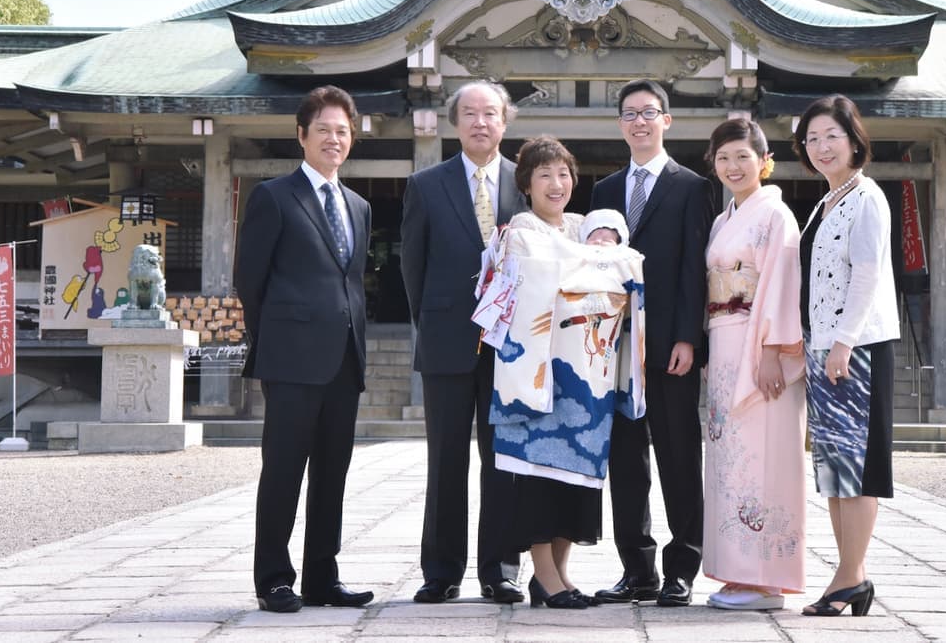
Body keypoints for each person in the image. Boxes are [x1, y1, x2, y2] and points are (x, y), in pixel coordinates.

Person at [480, 138, 646, 608]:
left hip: (586, 380)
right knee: (540, 474)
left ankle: (560, 574)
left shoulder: (582, 227)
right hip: (541, 376)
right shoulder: (521, 232)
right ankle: (545, 577)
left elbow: (617, 252)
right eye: (545, 175)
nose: (558, 184)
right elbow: (559, 275)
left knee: (576, 479)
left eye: (565, 174)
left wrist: (606, 248)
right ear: (527, 185)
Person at [236, 85, 374, 613]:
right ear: (302, 136)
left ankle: (323, 577)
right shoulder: (274, 196)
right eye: (324, 130)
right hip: (292, 359)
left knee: (332, 475)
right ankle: (273, 577)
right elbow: (251, 281)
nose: (334, 140)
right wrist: (273, 346)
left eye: (343, 131)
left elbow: (352, 281)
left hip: (344, 356)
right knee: (284, 470)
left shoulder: (358, 206)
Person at [401, 81, 526, 605]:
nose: (480, 122)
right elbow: (412, 266)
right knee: (445, 459)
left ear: (504, 122)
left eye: (490, 113)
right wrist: (432, 324)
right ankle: (441, 570)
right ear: (455, 122)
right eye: (470, 113)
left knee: (504, 460)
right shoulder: (426, 185)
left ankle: (500, 570)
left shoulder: (527, 184)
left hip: (511, 347)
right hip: (447, 340)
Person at [591, 79, 714, 607]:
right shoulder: (602, 191)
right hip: (614, 349)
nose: (639, 121)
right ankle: (636, 568)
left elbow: (696, 270)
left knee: (679, 456)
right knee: (625, 460)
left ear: (667, 120)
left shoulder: (693, 187)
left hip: (669, 347)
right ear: (620, 124)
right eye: (629, 114)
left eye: (649, 112)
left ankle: (682, 567)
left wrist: (689, 337)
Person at [793, 94, 899, 618]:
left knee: (857, 466)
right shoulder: (824, 202)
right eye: (811, 139)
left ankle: (851, 575)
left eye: (831, 136)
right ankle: (848, 574)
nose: (821, 147)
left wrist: (843, 342)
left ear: (855, 141)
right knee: (834, 467)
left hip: (856, 348)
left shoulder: (867, 197)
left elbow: (866, 274)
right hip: (824, 348)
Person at [700, 118, 806, 611]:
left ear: (765, 162)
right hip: (724, 344)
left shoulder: (775, 215)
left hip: (760, 346)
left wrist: (771, 351)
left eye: (743, 156)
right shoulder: (725, 219)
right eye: (723, 158)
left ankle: (765, 578)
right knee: (732, 460)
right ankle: (738, 572)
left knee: (764, 456)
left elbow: (781, 283)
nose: (733, 166)